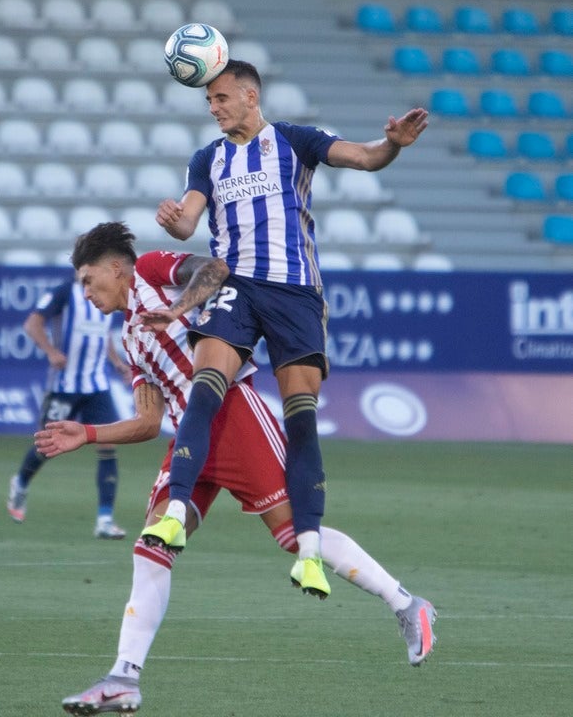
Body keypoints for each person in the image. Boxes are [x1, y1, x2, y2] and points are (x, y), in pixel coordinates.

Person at [35, 223, 436, 714]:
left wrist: (181, 309)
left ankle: (407, 604)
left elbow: (215, 269)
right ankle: (124, 678)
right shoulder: (134, 337)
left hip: (232, 415)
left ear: (116, 268)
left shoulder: (152, 272)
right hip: (189, 438)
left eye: (88, 279)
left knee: (293, 535)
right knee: (151, 546)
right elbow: (147, 421)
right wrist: (89, 433)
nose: (86, 292)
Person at [145, 59, 430, 598]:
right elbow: (187, 219)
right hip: (237, 285)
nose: (213, 108)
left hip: (295, 293)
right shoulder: (208, 158)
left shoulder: (296, 140)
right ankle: (175, 509)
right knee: (205, 387)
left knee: (301, 420)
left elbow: (366, 157)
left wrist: (392, 144)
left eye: (222, 98)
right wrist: (173, 220)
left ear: (251, 97)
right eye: (209, 101)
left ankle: (310, 553)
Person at [7, 276, 131, 539]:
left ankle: (105, 520)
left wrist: (117, 362)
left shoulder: (104, 291)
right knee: (47, 445)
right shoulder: (65, 292)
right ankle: (20, 483)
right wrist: (51, 351)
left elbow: (102, 332)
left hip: (97, 386)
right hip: (65, 386)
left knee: (109, 446)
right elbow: (32, 323)